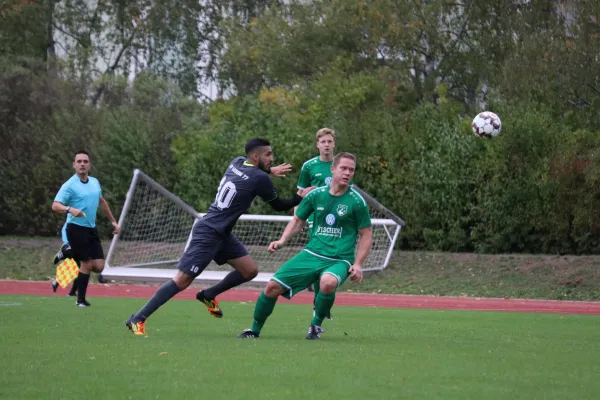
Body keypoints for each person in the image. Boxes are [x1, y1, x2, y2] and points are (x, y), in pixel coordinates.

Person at [125, 138, 315, 336]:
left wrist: (269, 170)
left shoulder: (237, 161)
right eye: (268, 154)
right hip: (208, 233)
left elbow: (250, 173)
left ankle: (209, 294)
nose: (272, 158)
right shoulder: (260, 178)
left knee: (249, 271)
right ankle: (138, 319)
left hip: (221, 232)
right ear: (256, 156)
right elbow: (279, 205)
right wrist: (301, 197)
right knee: (182, 280)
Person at [237, 152, 373, 340]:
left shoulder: (357, 201)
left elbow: (366, 234)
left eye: (351, 170)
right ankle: (254, 330)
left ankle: (315, 325)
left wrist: (357, 264)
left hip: (339, 259)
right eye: (343, 168)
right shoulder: (316, 195)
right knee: (272, 287)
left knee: (328, 282)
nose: (347, 173)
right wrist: (282, 240)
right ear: (333, 169)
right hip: (312, 254)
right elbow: (298, 220)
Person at [51, 150, 120, 307]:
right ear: (74, 165)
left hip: (91, 228)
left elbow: (101, 201)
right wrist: (70, 209)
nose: (82, 164)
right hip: (75, 227)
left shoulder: (94, 182)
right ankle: (80, 300)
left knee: (99, 266)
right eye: (79, 161)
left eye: (85, 161)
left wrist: (113, 221)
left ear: (90, 164)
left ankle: (67, 252)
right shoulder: (69, 185)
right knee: (86, 263)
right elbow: (55, 205)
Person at [296, 127, 352, 320]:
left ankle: (324, 299)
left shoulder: (341, 165)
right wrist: (299, 217)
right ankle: (318, 303)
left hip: (338, 220)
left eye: (329, 141)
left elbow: (347, 192)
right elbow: (300, 195)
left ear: (334, 143)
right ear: (317, 144)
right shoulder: (309, 166)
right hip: (315, 220)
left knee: (332, 262)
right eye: (323, 142)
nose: (326, 145)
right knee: (319, 260)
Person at [50, 222, 80, 296]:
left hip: (80, 230)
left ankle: (72, 291)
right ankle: (63, 252)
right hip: (72, 228)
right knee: (81, 264)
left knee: (81, 266)